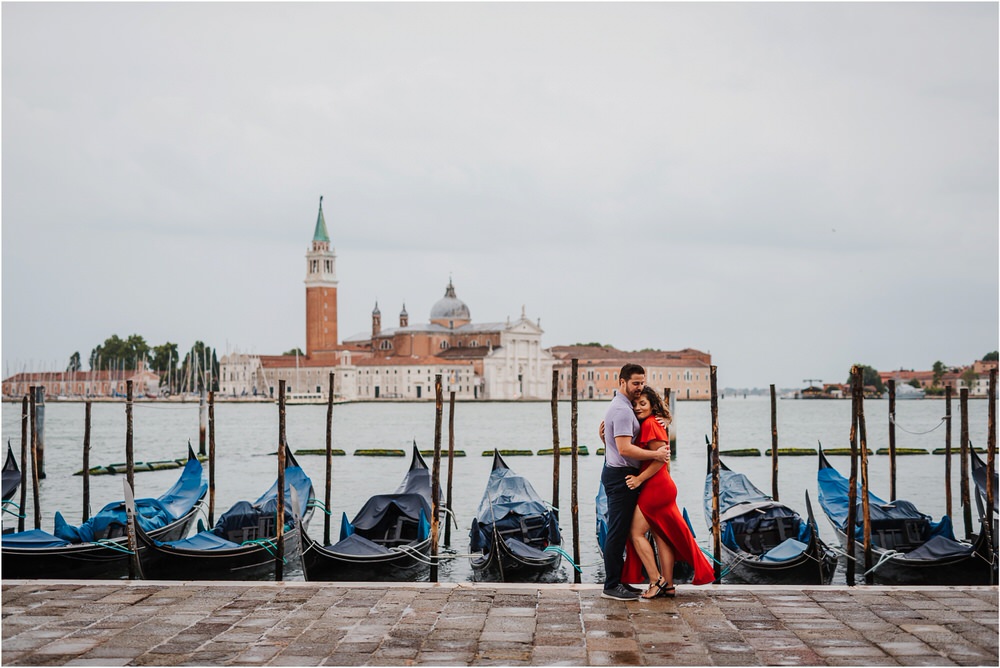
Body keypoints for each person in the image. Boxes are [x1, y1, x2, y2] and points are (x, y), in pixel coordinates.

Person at [622, 387, 715, 598]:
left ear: (653, 405)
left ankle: (657, 581)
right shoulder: (653, 423)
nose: (637, 407)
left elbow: (659, 459)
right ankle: (670, 585)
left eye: (642, 404)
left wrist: (638, 479)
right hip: (662, 486)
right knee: (661, 535)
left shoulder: (650, 424)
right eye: (635, 404)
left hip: (656, 486)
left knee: (635, 533)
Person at [600, 363, 670, 601]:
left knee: (623, 532)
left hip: (620, 474)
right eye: (635, 383)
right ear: (622, 382)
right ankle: (611, 585)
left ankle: (619, 581)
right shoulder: (621, 410)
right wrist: (656, 455)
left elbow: (617, 443)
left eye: (642, 382)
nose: (640, 388)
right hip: (622, 478)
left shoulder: (624, 407)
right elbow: (624, 448)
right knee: (618, 533)